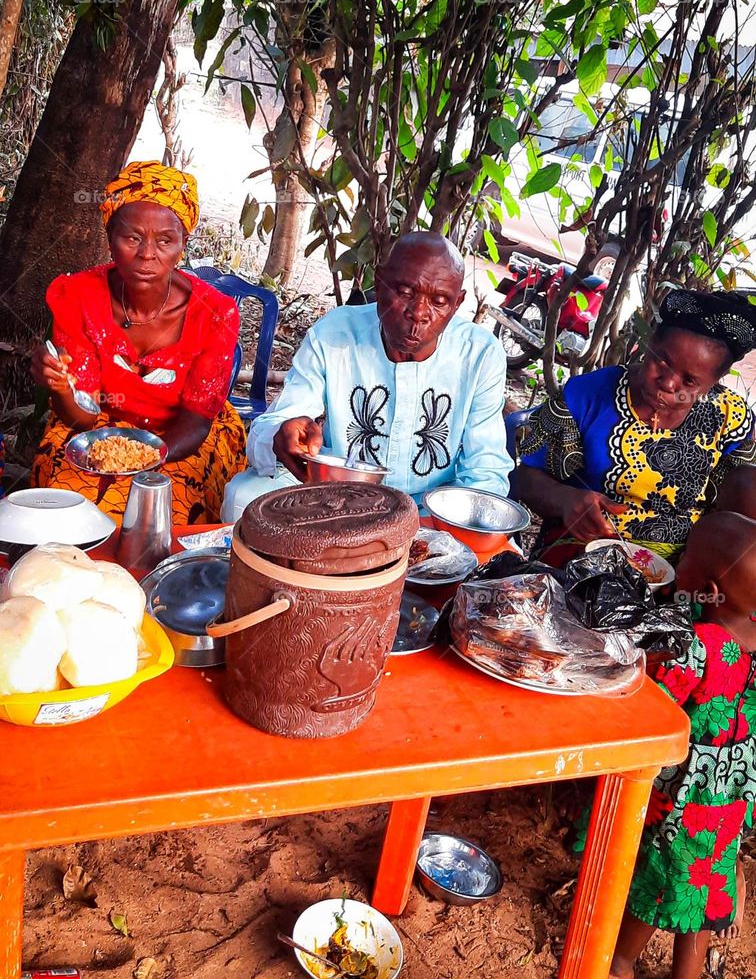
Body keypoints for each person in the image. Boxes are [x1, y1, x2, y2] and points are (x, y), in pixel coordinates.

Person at [223, 232, 512, 518]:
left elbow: (485, 472)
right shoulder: (336, 333)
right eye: (405, 292)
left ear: (458, 303)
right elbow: (276, 424)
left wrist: (442, 524)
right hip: (334, 501)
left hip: (430, 514)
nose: (419, 313)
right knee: (244, 496)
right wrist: (283, 432)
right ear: (380, 280)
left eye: (439, 301)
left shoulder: (480, 354)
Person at [31, 161, 247, 523]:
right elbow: (83, 414)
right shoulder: (79, 296)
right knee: (65, 510)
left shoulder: (216, 313)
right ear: (110, 238)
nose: (148, 254)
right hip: (99, 426)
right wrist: (61, 388)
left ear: (183, 244)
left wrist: (140, 460)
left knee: (160, 510)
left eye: (165, 240)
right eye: (132, 238)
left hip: (184, 436)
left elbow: (195, 423)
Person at [610, 510, 756, 979]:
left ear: (711, 591)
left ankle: (620, 961)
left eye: (686, 559)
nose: (678, 564)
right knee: (703, 881)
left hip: (684, 795)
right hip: (731, 796)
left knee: (661, 880)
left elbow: (660, 700)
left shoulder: (702, 645)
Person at [516, 290, 756, 561]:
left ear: (715, 382)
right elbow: (524, 477)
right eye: (662, 361)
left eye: (689, 381)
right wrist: (565, 499)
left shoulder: (730, 417)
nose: (667, 383)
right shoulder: (586, 396)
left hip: (684, 567)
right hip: (582, 550)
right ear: (650, 343)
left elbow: (738, 509)